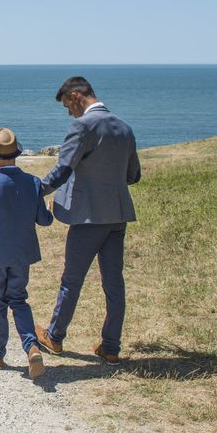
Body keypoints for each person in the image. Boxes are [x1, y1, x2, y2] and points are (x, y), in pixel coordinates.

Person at [35, 76, 141, 365]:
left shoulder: (82, 126)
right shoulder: (124, 127)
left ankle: (55, 337)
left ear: (75, 97)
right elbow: (133, 175)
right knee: (114, 282)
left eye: (67, 106)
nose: (69, 113)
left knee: (72, 280)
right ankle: (111, 346)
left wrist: (34, 190)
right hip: (117, 216)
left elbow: (62, 170)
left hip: (87, 217)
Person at [0, 127, 53, 379]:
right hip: (22, 254)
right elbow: (44, 220)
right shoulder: (33, 182)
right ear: (15, 155)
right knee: (18, 300)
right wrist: (49, 208)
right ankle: (31, 347)